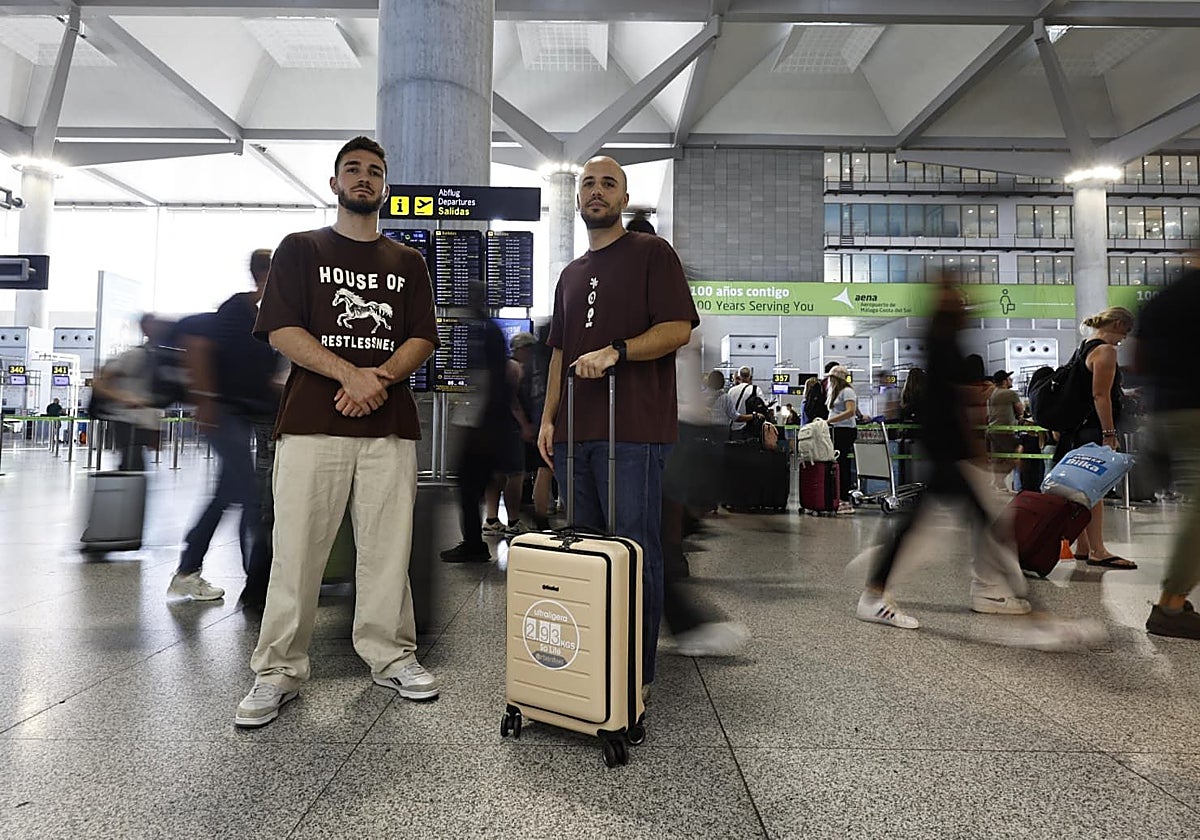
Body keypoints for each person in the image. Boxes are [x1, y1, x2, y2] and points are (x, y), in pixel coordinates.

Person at [235, 136, 440, 729]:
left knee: (387, 549)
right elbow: (280, 330)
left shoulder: (408, 263)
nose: (363, 178)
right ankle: (277, 669)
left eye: (374, 171)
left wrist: (377, 379)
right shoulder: (299, 250)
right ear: (334, 185)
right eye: (352, 169)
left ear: (385, 187)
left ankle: (392, 655)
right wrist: (350, 374)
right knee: (297, 549)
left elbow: (421, 338)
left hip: (389, 427)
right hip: (310, 424)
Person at [537, 155, 698, 700]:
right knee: (580, 548)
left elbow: (677, 329)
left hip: (633, 431)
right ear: (577, 198)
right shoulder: (570, 274)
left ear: (624, 199)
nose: (596, 191)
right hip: (576, 433)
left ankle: (637, 672)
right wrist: (549, 418)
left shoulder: (652, 254)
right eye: (587, 183)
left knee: (633, 549)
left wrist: (618, 352)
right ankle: (587, 660)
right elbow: (559, 351)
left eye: (609, 184)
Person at [855, 280, 1032, 629]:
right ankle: (1028, 613)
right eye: (959, 298)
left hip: (945, 452)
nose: (967, 303)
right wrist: (975, 449)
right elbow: (953, 404)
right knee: (980, 523)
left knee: (935, 524)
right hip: (948, 453)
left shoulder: (942, 340)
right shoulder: (943, 342)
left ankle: (874, 592)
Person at [168, 249, 281, 603]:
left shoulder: (266, 315)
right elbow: (198, 345)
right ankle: (257, 585)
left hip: (247, 414)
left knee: (227, 494)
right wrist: (204, 400)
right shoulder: (236, 310)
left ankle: (190, 570)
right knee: (249, 494)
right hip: (223, 413)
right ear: (263, 275)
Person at [1138, 267, 1200, 638]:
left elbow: (1138, 360)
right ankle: (1171, 605)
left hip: (1166, 413)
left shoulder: (1162, 295)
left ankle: (1175, 597)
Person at [1054, 307, 1136, 569]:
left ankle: (1084, 546)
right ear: (1120, 324)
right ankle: (1098, 550)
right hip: (1093, 428)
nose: (1124, 339)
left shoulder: (1084, 347)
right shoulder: (1106, 351)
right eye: (1126, 332)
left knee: (1082, 488)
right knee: (1094, 489)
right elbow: (1100, 395)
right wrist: (1109, 433)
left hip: (1076, 429)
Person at [90, 315, 163, 471]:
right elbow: (99, 383)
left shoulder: (158, 357)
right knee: (132, 465)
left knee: (135, 466)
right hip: (127, 421)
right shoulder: (135, 356)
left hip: (142, 422)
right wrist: (124, 398)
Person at [511, 330, 554, 531]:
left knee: (536, 472)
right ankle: (540, 517)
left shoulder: (523, 368)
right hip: (540, 424)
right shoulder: (544, 361)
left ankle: (539, 515)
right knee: (542, 471)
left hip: (531, 426)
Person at [826, 365, 858, 514]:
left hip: (845, 431)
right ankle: (837, 496)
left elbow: (850, 411)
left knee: (843, 463)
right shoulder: (835, 392)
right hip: (836, 430)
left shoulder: (847, 391)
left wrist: (830, 421)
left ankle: (844, 498)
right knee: (837, 463)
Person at [987, 369, 1024, 491]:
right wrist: (1021, 416)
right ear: (1004, 381)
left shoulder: (992, 393)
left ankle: (998, 484)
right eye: (1009, 378)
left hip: (992, 430)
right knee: (1017, 452)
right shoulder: (1010, 394)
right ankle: (999, 480)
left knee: (997, 459)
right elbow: (1020, 410)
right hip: (1005, 431)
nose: (1011, 380)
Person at [726, 367, 765, 440]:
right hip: (748, 429)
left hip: (732, 428)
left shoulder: (731, 391)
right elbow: (763, 407)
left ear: (739, 377)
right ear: (750, 377)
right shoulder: (755, 389)